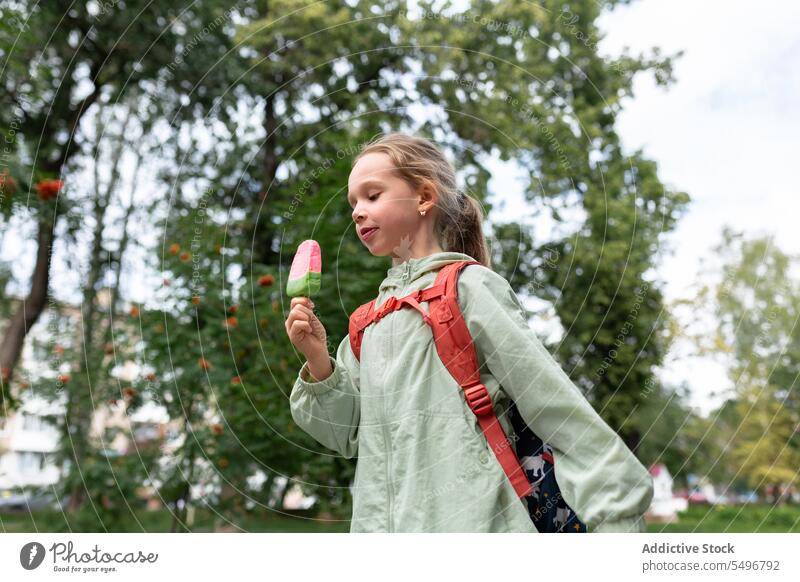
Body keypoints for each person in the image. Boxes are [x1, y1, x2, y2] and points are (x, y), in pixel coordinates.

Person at [285, 133, 654, 532]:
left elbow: (556, 408)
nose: (357, 212)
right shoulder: (367, 323)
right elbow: (346, 434)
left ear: (424, 197)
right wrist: (318, 358)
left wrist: (618, 521)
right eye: (353, 203)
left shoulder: (469, 289)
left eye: (372, 196)